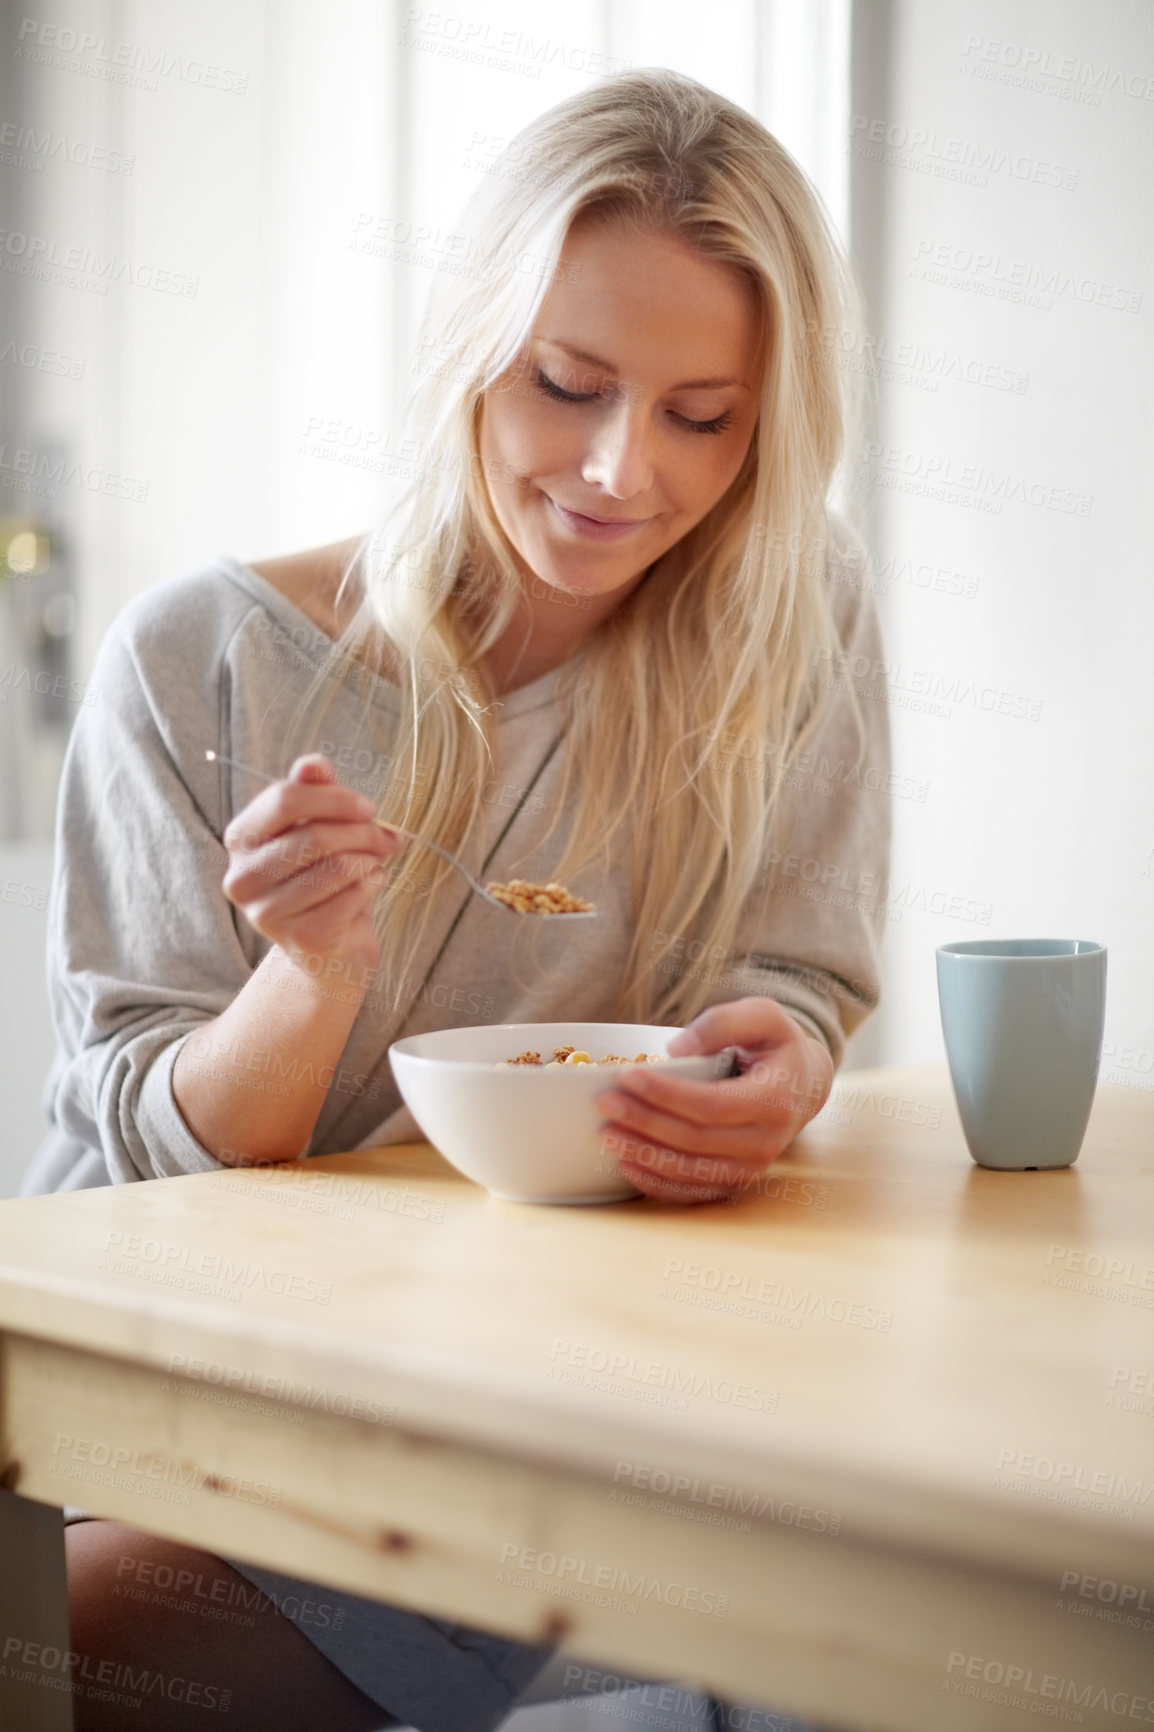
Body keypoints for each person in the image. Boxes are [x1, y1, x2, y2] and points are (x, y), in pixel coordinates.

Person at [24, 66, 890, 1732]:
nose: (620, 470)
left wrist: (776, 1053)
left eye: (703, 416)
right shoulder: (199, 660)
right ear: (465, 355)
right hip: (171, 1392)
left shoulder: (789, 612)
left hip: (535, 1386)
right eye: (565, 384)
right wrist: (312, 971)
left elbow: (795, 969)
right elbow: (148, 1137)